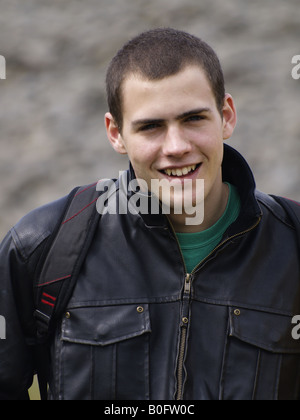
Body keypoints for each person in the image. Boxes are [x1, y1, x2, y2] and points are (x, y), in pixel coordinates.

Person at [0, 27, 300, 401]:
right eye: (151, 126)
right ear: (116, 133)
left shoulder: (294, 244)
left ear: (226, 116)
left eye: (193, 119)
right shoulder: (41, 247)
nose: (176, 147)